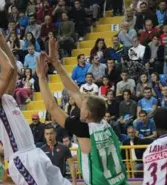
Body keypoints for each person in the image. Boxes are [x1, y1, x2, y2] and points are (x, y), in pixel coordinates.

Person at [0, 23, 71, 185]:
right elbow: (8, 70)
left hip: (34, 152)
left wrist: (0, 38)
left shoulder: (5, 97)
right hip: (21, 157)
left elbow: (14, 69)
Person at [37, 39, 128, 185]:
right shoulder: (104, 124)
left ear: (87, 114)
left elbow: (51, 107)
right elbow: (75, 92)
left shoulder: (83, 129)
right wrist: (56, 63)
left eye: (83, 106)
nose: (80, 104)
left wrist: (41, 77)